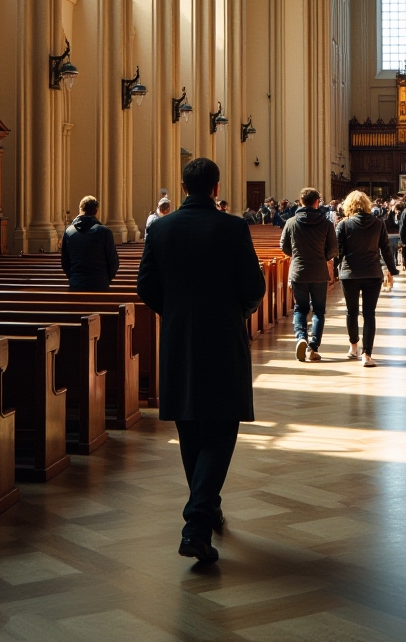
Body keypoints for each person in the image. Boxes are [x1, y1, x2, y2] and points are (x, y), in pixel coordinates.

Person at [136, 156, 266, 563]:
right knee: (222, 427)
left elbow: (146, 287)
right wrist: (236, 312)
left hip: (178, 339)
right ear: (216, 188)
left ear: (183, 186)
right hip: (222, 337)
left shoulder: (162, 228)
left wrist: (174, 314)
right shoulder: (232, 227)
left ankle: (206, 507)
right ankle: (196, 522)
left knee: (189, 426)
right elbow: (254, 287)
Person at [336, 188, 395, 367]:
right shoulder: (378, 223)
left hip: (350, 274)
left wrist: (330, 268)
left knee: (351, 312)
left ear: (348, 206)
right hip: (372, 273)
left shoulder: (344, 225)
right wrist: (392, 269)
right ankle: (367, 355)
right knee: (369, 314)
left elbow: (338, 251)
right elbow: (386, 248)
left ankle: (353, 347)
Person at [280, 186, 337, 361]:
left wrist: (295, 255)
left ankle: (301, 338)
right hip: (319, 272)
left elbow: (284, 246)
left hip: (299, 272)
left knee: (300, 309)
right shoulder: (326, 224)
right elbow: (334, 248)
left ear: (300, 202)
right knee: (318, 311)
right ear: (316, 202)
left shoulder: (291, 222)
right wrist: (323, 257)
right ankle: (312, 347)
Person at [60, 195, 120, 290]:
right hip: (100, 284)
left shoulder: (69, 232)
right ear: (96, 211)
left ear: (80, 210)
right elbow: (113, 261)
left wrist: (74, 278)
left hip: (76, 284)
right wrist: (105, 279)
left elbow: (65, 262)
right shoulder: (104, 232)